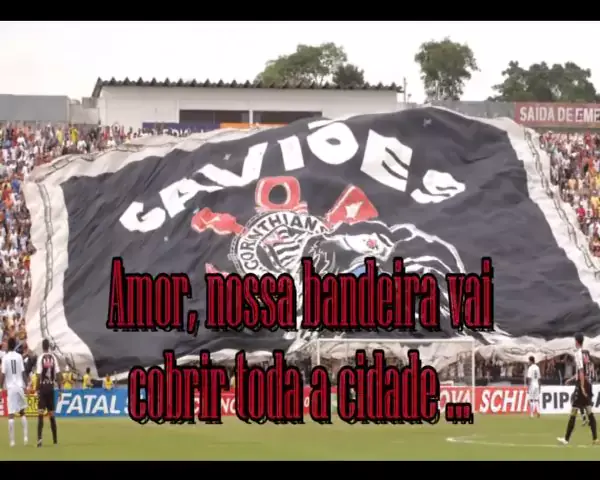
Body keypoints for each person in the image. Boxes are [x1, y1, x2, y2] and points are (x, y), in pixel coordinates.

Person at [557, 333, 599, 445]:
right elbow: (585, 370)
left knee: (574, 411)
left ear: (576, 341)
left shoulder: (578, 353)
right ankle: (595, 439)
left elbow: (581, 371)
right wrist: (571, 379)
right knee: (589, 410)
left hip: (582, 385)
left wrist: (582, 386)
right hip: (588, 383)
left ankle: (566, 439)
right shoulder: (586, 353)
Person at [0, 337, 28, 446]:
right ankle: (25, 437)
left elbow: (2, 374)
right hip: (19, 386)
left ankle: (12, 441)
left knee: (11, 414)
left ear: (8, 345)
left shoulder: (5, 358)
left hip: (11, 388)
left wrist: (1, 387)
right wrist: (26, 385)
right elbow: (23, 372)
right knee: (22, 412)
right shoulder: (19, 357)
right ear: (15, 345)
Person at [35, 338, 61, 447]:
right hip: (51, 388)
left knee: (40, 414)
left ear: (42, 347)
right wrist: (60, 389)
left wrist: (37, 389)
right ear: (49, 346)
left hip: (43, 388)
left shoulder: (41, 358)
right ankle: (55, 441)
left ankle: (39, 440)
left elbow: (38, 375)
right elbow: (58, 374)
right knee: (52, 415)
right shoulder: (53, 358)